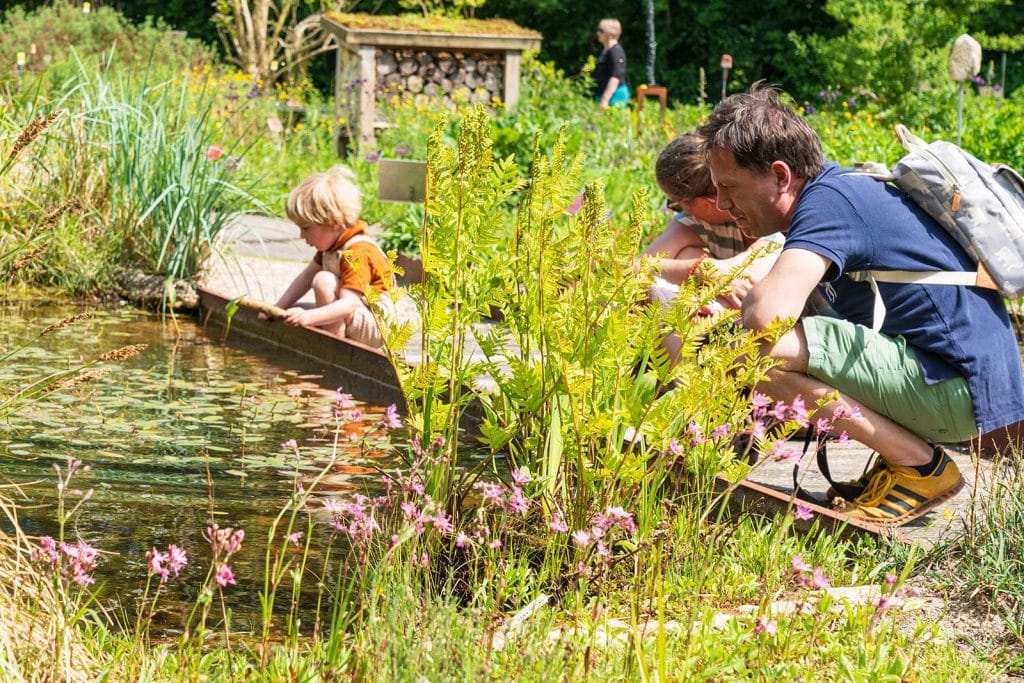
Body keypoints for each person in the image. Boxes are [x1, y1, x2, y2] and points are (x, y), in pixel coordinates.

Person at [698, 85, 1024, 525]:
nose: (720, 204)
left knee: (755, 349)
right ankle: (904, 461)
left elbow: (764, 320)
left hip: (959, 390)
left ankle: (922, 467)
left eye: (728, 187)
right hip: (953, 382)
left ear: (780, 175)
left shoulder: (831, 203)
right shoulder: (837, 194)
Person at [642, 132, 782, 361]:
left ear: (702, 203)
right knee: (686, 255)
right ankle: (681, 380)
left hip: (764, 326)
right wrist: (700, 269)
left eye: (674, 205)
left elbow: (746, 274)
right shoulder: (697, 222)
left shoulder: (767, 216)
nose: (679, 213)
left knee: (672, 273)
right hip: (720, 325)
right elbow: (636, 267)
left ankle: (680, 379)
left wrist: (704, 274)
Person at [269, 166, 395, 347]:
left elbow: (348, 305)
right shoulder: (332, 246)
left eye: (306, 229)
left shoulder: (358, 251)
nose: (302, 236)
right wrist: (278, 308)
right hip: (356, 317)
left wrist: (309, 317)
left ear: (333, 223)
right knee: (291, 312)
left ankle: (334, 341)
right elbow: (305, 277)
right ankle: (331, 333)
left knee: (323, 280)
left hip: (374, 326)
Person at [593, 19, 629, 109]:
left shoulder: (615, 51)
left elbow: (615, 77)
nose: (598, 33)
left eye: (601, 30)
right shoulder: (606, 51)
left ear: (611, 34)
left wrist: (605, 99)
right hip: (603, 93)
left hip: (614, 95)